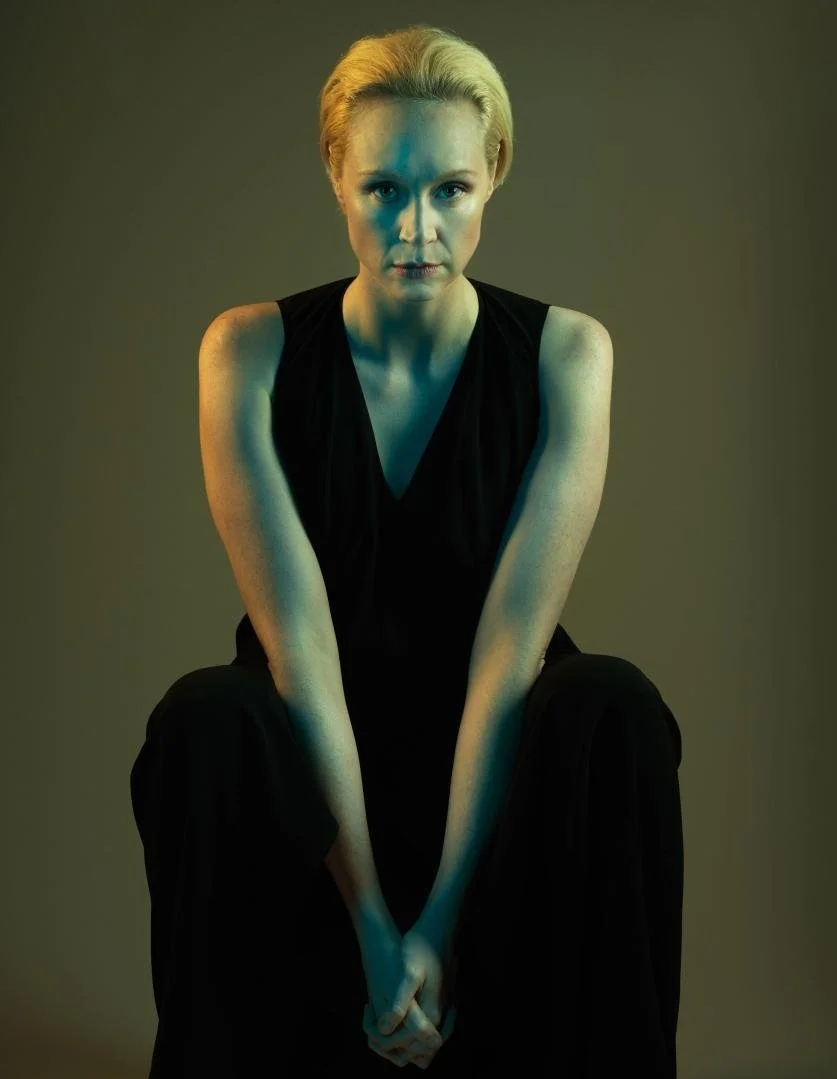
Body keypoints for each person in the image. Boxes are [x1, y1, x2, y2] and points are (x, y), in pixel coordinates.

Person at [129, 22, 684, 1078]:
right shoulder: (247, 352)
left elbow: (508, 659)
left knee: (610, 704)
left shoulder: (568, 353)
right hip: (315, 773)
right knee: (204, 717)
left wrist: (439, 922)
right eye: (383, 188)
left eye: (451, 190)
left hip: (494, 779)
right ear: (335, 176)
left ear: (494, 176)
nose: (416, 228)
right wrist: (378, 929)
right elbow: (301, 655)